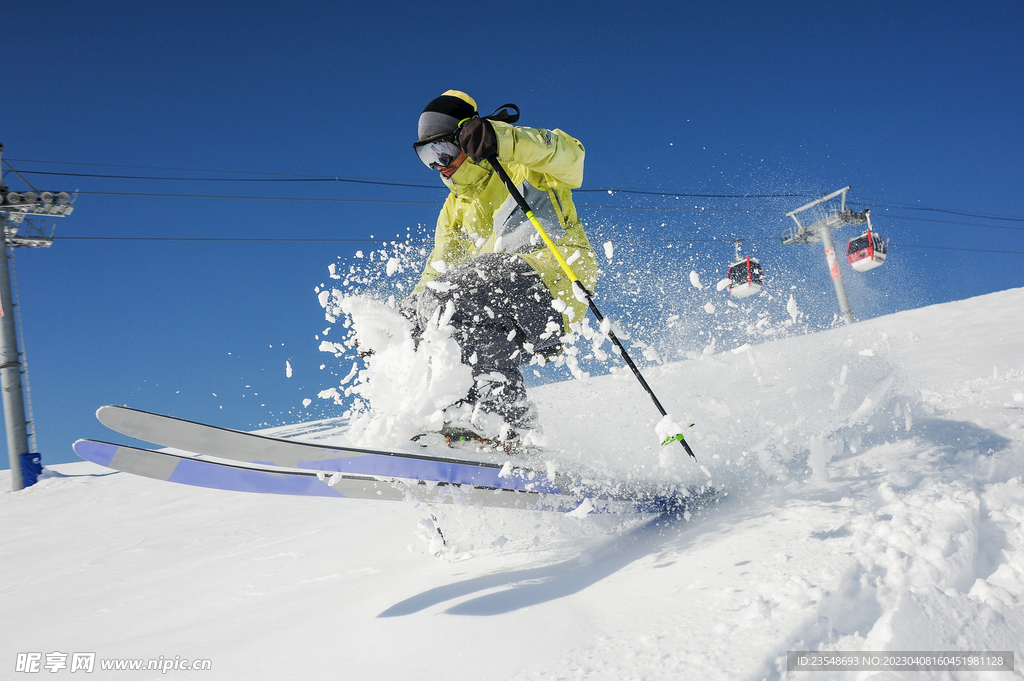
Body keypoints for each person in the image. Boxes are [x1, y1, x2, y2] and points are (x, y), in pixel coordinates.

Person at [402, 90, 597, 445]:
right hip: (497, 305)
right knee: (427, 317)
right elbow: (436, 271)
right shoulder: (454, 207)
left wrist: (502, 139)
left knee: (460, 289)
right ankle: (478, 427)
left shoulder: (520, 162)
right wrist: (402, 318)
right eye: (426, 155)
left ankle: (502, 415)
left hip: (556, 282)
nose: (438, 164)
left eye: (443, 150)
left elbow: (572, 155)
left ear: (466, 134)